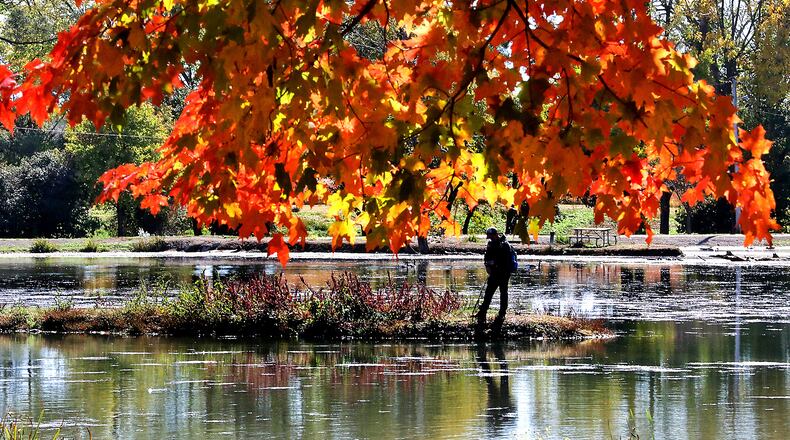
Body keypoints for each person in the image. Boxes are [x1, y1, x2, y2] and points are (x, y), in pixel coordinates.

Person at [476, 227, 515, 330]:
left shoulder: (505, 245)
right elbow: (487, 257)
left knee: (503, 293)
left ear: (495, 235)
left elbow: (505, 261)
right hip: (494, 274)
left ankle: (502, 314)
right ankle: (482, 313)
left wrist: (495, 264)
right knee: (488, 293)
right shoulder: (490, 244)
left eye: (491, 236)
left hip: (503, 274)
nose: (490, 238)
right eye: (489, 237)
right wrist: (487, 265)